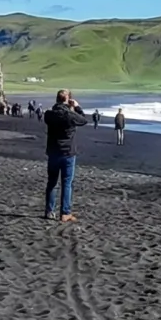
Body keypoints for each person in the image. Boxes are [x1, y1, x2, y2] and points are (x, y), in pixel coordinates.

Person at [42, 90, 92, 223]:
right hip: (68, 153)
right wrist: (76, 107)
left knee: (52, 183)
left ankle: (49, 211)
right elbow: (83, 120)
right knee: (66, 183)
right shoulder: (70, 115)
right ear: (68, 100)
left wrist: (66, 107)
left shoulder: (49, 114)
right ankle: (65, 212)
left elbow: (53, 115)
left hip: (53, 152)